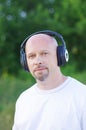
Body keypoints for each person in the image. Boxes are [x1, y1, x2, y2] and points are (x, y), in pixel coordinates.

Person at [12, 30, 86, 130]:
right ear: (25, 62)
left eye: (44, 53)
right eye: (31, 56)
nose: (37, 61)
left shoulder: (82, 96)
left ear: (61, 56)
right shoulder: (23, 100)